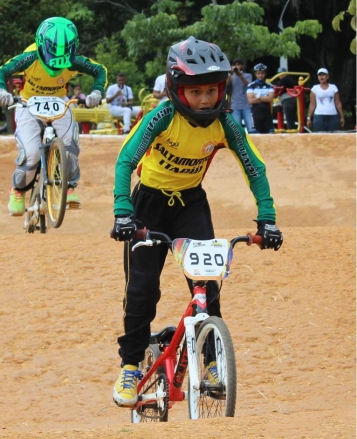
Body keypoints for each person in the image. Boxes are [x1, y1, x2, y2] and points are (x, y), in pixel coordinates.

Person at [109, 37, 283, 408]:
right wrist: (123, 212)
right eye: (195, 91)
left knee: (207, 285)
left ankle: (212, 363)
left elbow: (255, 168)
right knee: (142, 291)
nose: (205, 99)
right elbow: (126, 161)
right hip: (147, 205)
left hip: (191, 204)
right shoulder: (161, 116)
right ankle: (129, 365)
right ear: (176, 88)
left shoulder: (225, 124)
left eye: (211, 90)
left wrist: (267, 219)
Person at [0, 16, 107, 214]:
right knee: (32, 155)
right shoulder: (29, 57)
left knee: (70, 148)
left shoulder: (75, 62)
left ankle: (69, 186)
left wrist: (96, 92)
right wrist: (2, 92)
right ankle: (18, 190)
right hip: (28, 103)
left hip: (59, 102)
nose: (56, 65)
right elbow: (0, 72)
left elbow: (100, 71)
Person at [308, 67, 344, 132]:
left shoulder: (333, 87)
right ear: (318, 77)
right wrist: (309, 118)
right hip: (319, 115)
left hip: (332, 115)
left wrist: (342, 117)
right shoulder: (315, 88)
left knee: (332, 137)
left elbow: (338, 103)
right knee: (320, 136)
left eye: (323, 75)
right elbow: (312, 104)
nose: (321, 77)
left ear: (327, 76)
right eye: (320, 75)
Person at [246, 63, 275, 134]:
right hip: (256, 113)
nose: (260, 75)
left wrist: (258, 97)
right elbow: (251, 100)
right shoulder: (251, 85)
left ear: (265, 74)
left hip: (266, 113)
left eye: (262, 73)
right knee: (257, 133)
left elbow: (270, 99)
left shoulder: (269, 85)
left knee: (268, 134)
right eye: (258, 73)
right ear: (256, 74)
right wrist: (264, 98)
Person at [228, 58, 254, 132]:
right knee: (237, 129)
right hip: (235, 105)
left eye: (238, 64)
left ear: (242, 66)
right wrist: (230, 73)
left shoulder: (248, 75)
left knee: (250, 128)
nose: (237, 66)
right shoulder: (231, 77)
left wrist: (240, 75)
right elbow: (226, 86)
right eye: (235, 65)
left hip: (246, 105)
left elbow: (248, 85)